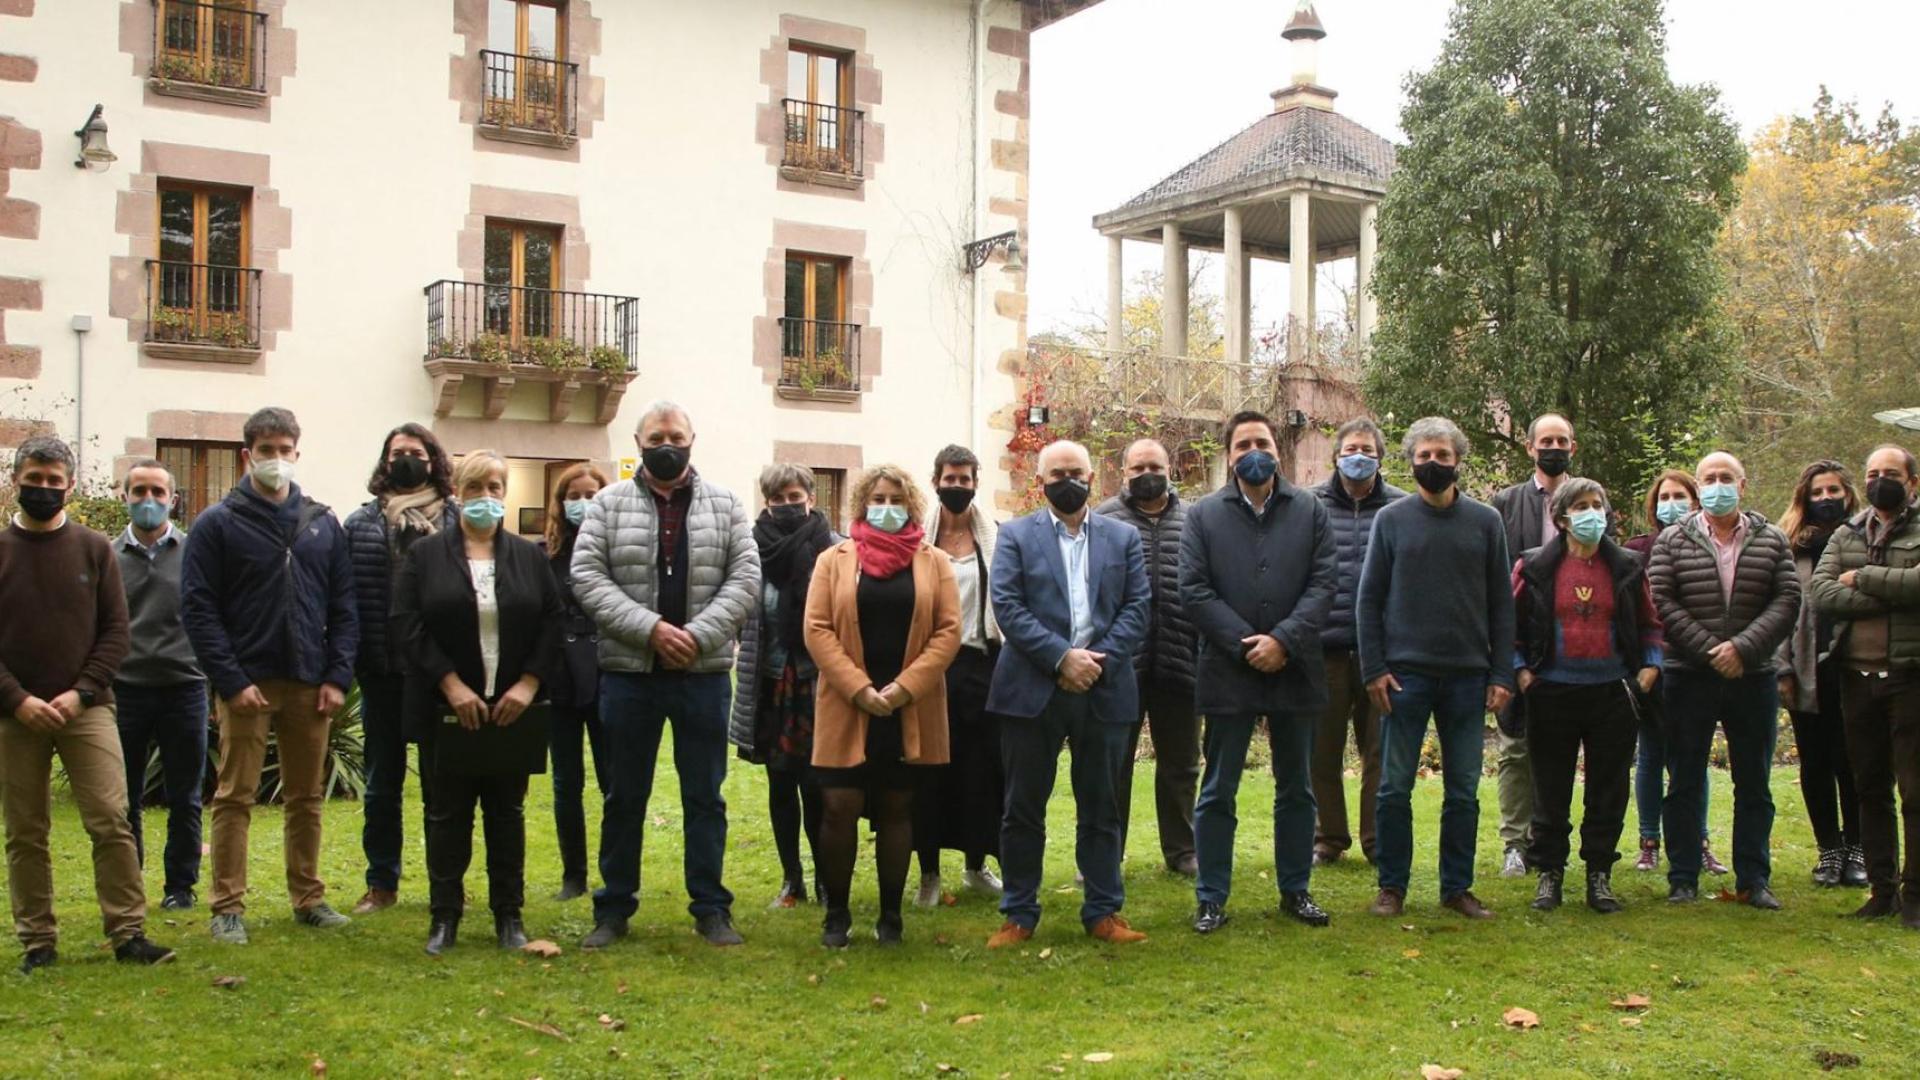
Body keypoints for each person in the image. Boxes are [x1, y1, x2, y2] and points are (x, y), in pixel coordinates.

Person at [571, 402, 759, 949]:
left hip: (702, 675)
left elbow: (746, 578)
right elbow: (587, 576)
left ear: (692, 440)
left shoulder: (727, 505)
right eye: (656, 438)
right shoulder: (607, 505)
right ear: (638, 443)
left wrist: (696, 636)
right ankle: (613, 909)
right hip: (630, 674)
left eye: (675, 436)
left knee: (706, 797)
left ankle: (711, 908)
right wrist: (650, 630)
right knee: (623, 796)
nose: (666, 445)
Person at [181, 407, 359, 944]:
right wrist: (231, 681)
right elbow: (199, 610)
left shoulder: (322, 523)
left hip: (310, 681)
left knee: (305, 796)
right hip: (248, 684)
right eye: (266, 450)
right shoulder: (217, 523)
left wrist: (337, 677)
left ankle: (309, 897)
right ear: (247, 455)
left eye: (285, 450)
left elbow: (344, 607)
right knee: (235, 796)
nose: (276, 459)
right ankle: (227, 906)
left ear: (297, 453)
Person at [0, 436, 174, 973]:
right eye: (35, 479)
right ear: (16, 481)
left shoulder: (94, 549)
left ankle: (128, 932)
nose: (44, 488)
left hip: (88, 708)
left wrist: (80, 693)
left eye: (54, 481)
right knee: (25, 831)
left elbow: (116, 632)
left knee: (110, 819)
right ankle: (38, 941)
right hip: (15, 714)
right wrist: (18, 700)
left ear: (71, 486)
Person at [393, 450, 562, 955]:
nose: (485, 497)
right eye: (474, 488)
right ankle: (444, 915)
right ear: (457, 493)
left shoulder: (529, 557)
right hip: (448, 708)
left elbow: (552, 621)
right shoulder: (424, 556)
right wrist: (450, 685)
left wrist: (528, 684)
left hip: (512, 707)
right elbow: (406, 623)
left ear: (504, 494)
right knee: (447, 814)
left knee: (506, 813)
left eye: (494, 487)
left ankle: (509, 915)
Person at [985, 439, 1150, 947]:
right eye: (1057, 474)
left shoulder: (1123, 538)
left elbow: (1137, 607)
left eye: (1076, 472)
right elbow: (1008, 605)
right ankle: (1019, 913)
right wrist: (1062, 658)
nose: (1068, 481)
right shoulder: (1015, 536)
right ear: (1041, 482)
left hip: (1104, 686)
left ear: (1092, 477)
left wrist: (1093, 663)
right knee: (1022, 806)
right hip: (1032, 687)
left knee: (1102, 806)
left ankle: (1103, 911)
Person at [1180, 412, 1337, 931]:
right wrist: (1247, 644)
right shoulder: (1203, 515)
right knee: (1217, 788)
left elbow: (1324, 585)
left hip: (1295, 667)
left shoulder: (1310, 510)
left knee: (1297, 787)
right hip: (1229, 669)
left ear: (1277, 450)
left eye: (1263, 442)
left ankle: (1296, 890)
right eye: (1243, 443)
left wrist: (1283, 641)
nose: (1255, 451)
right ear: (1229, 455)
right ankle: (1211, 897)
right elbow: (1193, 590)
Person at [1358, 416, 1515, 920]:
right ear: (1410, 461)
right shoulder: (1391, 520)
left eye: (1442, 455)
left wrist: (1502, 673)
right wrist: (1373, 669)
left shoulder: (1486, 522)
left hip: (1468, 677)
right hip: (1404, 676)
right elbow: (1368, 600)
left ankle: (1457, 888)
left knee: (1463, 790)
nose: (1433, 463)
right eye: (1424, 456)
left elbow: (1502, 605)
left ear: (1457, 460)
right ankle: (1391, 887)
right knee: (1393, 788)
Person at [804, 465, 961, 946]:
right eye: (878, 499)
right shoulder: (833, 560)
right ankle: (837, 914)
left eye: (896, 500)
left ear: (911, 506)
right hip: (847, 702)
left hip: (907, 705)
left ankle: (891, 916)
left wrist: (903, 689)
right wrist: (859, 688)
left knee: (897, 807)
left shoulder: (935, 561)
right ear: (862, 504)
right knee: (839, 806)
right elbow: (817, 627)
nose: (887, 508)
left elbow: (948, 630)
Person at [1648, 451, 1798, 909]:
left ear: (1742, 485)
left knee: (1754, 783)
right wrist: (1712, 650)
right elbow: (1662, 600)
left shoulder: (1772, 539)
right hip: (1689, 676)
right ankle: (1683, 878)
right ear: (1698, 486)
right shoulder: (1672, 540)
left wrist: (1742, 649)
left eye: (1726, 478)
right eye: (1709, 478)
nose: (1718, 485)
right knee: (1684, 780)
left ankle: (1754, 879)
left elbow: (1787, 599)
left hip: (1753, 676)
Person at [1512, 478, 1664, 914]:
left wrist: (1649, 669)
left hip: (1612, 692)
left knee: (1608, 789)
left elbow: (1650, 624)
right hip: (1551, 691)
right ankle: (1550, 872)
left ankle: (1599, 873)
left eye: (1598, 504)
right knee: (1550, 788)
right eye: (1581, 506)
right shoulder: (1533, 567)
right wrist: (1521, 672)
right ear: (1561, 518)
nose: (1592, 513)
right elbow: (1511, 626)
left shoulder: (1628, 566)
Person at [342, 423, 459, 915]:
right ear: (385, 461)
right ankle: (381, 884)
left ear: (433, 460)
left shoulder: (455, 520)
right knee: (381, 785)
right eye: (397, 453)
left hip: (439, 674)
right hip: (381, 670)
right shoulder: (361, 523)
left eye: (416, 452)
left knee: (441, 785)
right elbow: (345, 597)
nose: (406, 460)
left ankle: (443, 883)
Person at [1810, 444, 1920, 928]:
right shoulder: (1848, 532)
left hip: (1909, 674)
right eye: (1873, 473)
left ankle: (1916, 895)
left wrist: (1865, 577)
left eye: (1890, 473)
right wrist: (1893, 594)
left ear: (1912, 482)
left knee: (1914, 791)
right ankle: (1882, 890)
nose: (1880, 481)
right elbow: (1822, 592)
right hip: (1855, 676)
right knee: (1869, 786)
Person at [729, 464, 836, 909]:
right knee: (780, 784)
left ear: (811, 498)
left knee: (816, 785)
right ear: (766, 502)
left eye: (795, 497)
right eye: (778, 499)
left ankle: (827, 878)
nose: (787, 505)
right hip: (770, 683)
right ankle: (792, 881)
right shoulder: (750, 552)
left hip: (817, 684)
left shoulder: (833, 549)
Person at [1096, 438, 1200, 878]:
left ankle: (1183, 851)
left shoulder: (1194, 520)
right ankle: (1108, 851)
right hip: (1121, 664)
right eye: (1137, 468)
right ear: (1124, 472)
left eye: (1154, 466)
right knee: (1113, 764)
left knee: (1181, 764)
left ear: (1170, 469)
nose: (1146, 474)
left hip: (1181, 659)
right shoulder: (1103, 520)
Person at [113, 459, 208, 911]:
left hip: (184, 688)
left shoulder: (195, 555)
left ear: (173, 499)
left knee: (185, 796)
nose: (148, 500)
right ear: (125, 497)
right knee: (123, 798)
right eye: (139, 492)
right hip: (124, 690)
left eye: (157, 492)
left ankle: (180, 887)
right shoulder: (107, 557)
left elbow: (209, 618)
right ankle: (128, 883)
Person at [1311, 419, 1406, 866]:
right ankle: (1328, 838)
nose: (1359, 457)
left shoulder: (1401, 508)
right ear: (1336, 456)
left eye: (1368, 450)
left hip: (1382, 653)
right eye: (1351, 449)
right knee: (1321, 751)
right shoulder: (1310, 506)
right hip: (1324, 648)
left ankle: (1376, 840)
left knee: (1379, 753)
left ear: (1381, 458)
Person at [915, 445, 1007, 903]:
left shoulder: (996, 538)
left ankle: (976, 865)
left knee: (982, 773)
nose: (957, 486)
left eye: (965, 479)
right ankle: (928, 874)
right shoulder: (917, 540)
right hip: (930, 669)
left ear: (976, 482)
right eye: (949, 479)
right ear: (936, 482)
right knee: (929, 774)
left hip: (982, 665)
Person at [1623, 471, 1726, 876]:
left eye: (1679, 495)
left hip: (1695, 665)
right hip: (1652, 668)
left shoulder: (1708, 546)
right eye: (1663, 497)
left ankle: (1698, 841)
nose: (1671, 504)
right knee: (1651, 754)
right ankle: (1649, 841)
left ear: (1695, 501)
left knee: (1692, 760)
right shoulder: (1635, 552)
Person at [1488, 413, 1578, 877]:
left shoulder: (1589, 499)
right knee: (1515, 747)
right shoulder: (1505, 503)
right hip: (1517, 638)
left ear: (1573, 448)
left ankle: (1549, 840)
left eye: (1562, 441)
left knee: (1560, 747)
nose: (1554, 448)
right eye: (1546, 441)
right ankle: (1514, 843)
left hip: (1573, 644)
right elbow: (1493, 575)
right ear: (1529, 447)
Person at [1776, 460, 1867, 887]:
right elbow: (1780, 611)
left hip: (1855, 666)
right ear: (1805, 498)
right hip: (1806, 667)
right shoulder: (1791, 546)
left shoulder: (1866, 540)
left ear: (1848, 494)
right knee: (1815, 761)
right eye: (1817, 492)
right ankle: (1829, 849)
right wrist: (1782, 669)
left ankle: (1858, 848)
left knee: (1855, 760)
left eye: (1833, 490)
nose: (1826, 498)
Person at [545, 462, 611, 901]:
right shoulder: (545, 555)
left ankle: (612, 870)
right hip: (560, 678)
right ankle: (574, 874)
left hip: (606, 674)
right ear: (561, 502)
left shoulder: (614, 549)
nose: (583, 503)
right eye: (574, 496)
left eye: (591, 495)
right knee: (566, 782)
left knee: (613, 780)